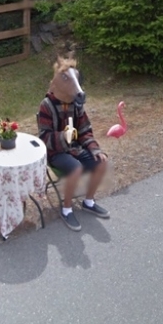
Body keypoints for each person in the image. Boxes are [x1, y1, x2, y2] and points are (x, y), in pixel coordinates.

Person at [37, 54, 109, 231]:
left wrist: (94, 148)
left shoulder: (76, 106)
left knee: (101, 162)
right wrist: (63, 137)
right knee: (75, 168)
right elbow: (44, 137)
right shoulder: (46, 105)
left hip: (75, 149)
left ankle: (89, 201)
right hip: (56, 153)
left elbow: (84, 130)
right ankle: (67, 209)